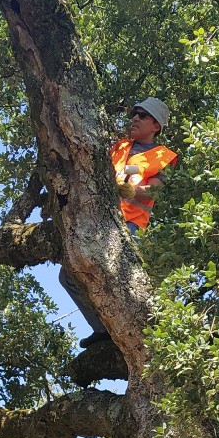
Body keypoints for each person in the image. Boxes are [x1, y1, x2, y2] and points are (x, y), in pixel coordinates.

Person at [59, 97, 179, 353]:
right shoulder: (120, 146)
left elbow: (156, 192)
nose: (134, 118)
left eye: (142, 115)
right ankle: (103, 330)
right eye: (134, 113)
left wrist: (132, 191)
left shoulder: (163, 156)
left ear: (156, 125)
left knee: (118, 277)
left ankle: (135, 335)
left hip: (130, 225)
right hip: (97, 217)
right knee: (68, 275)